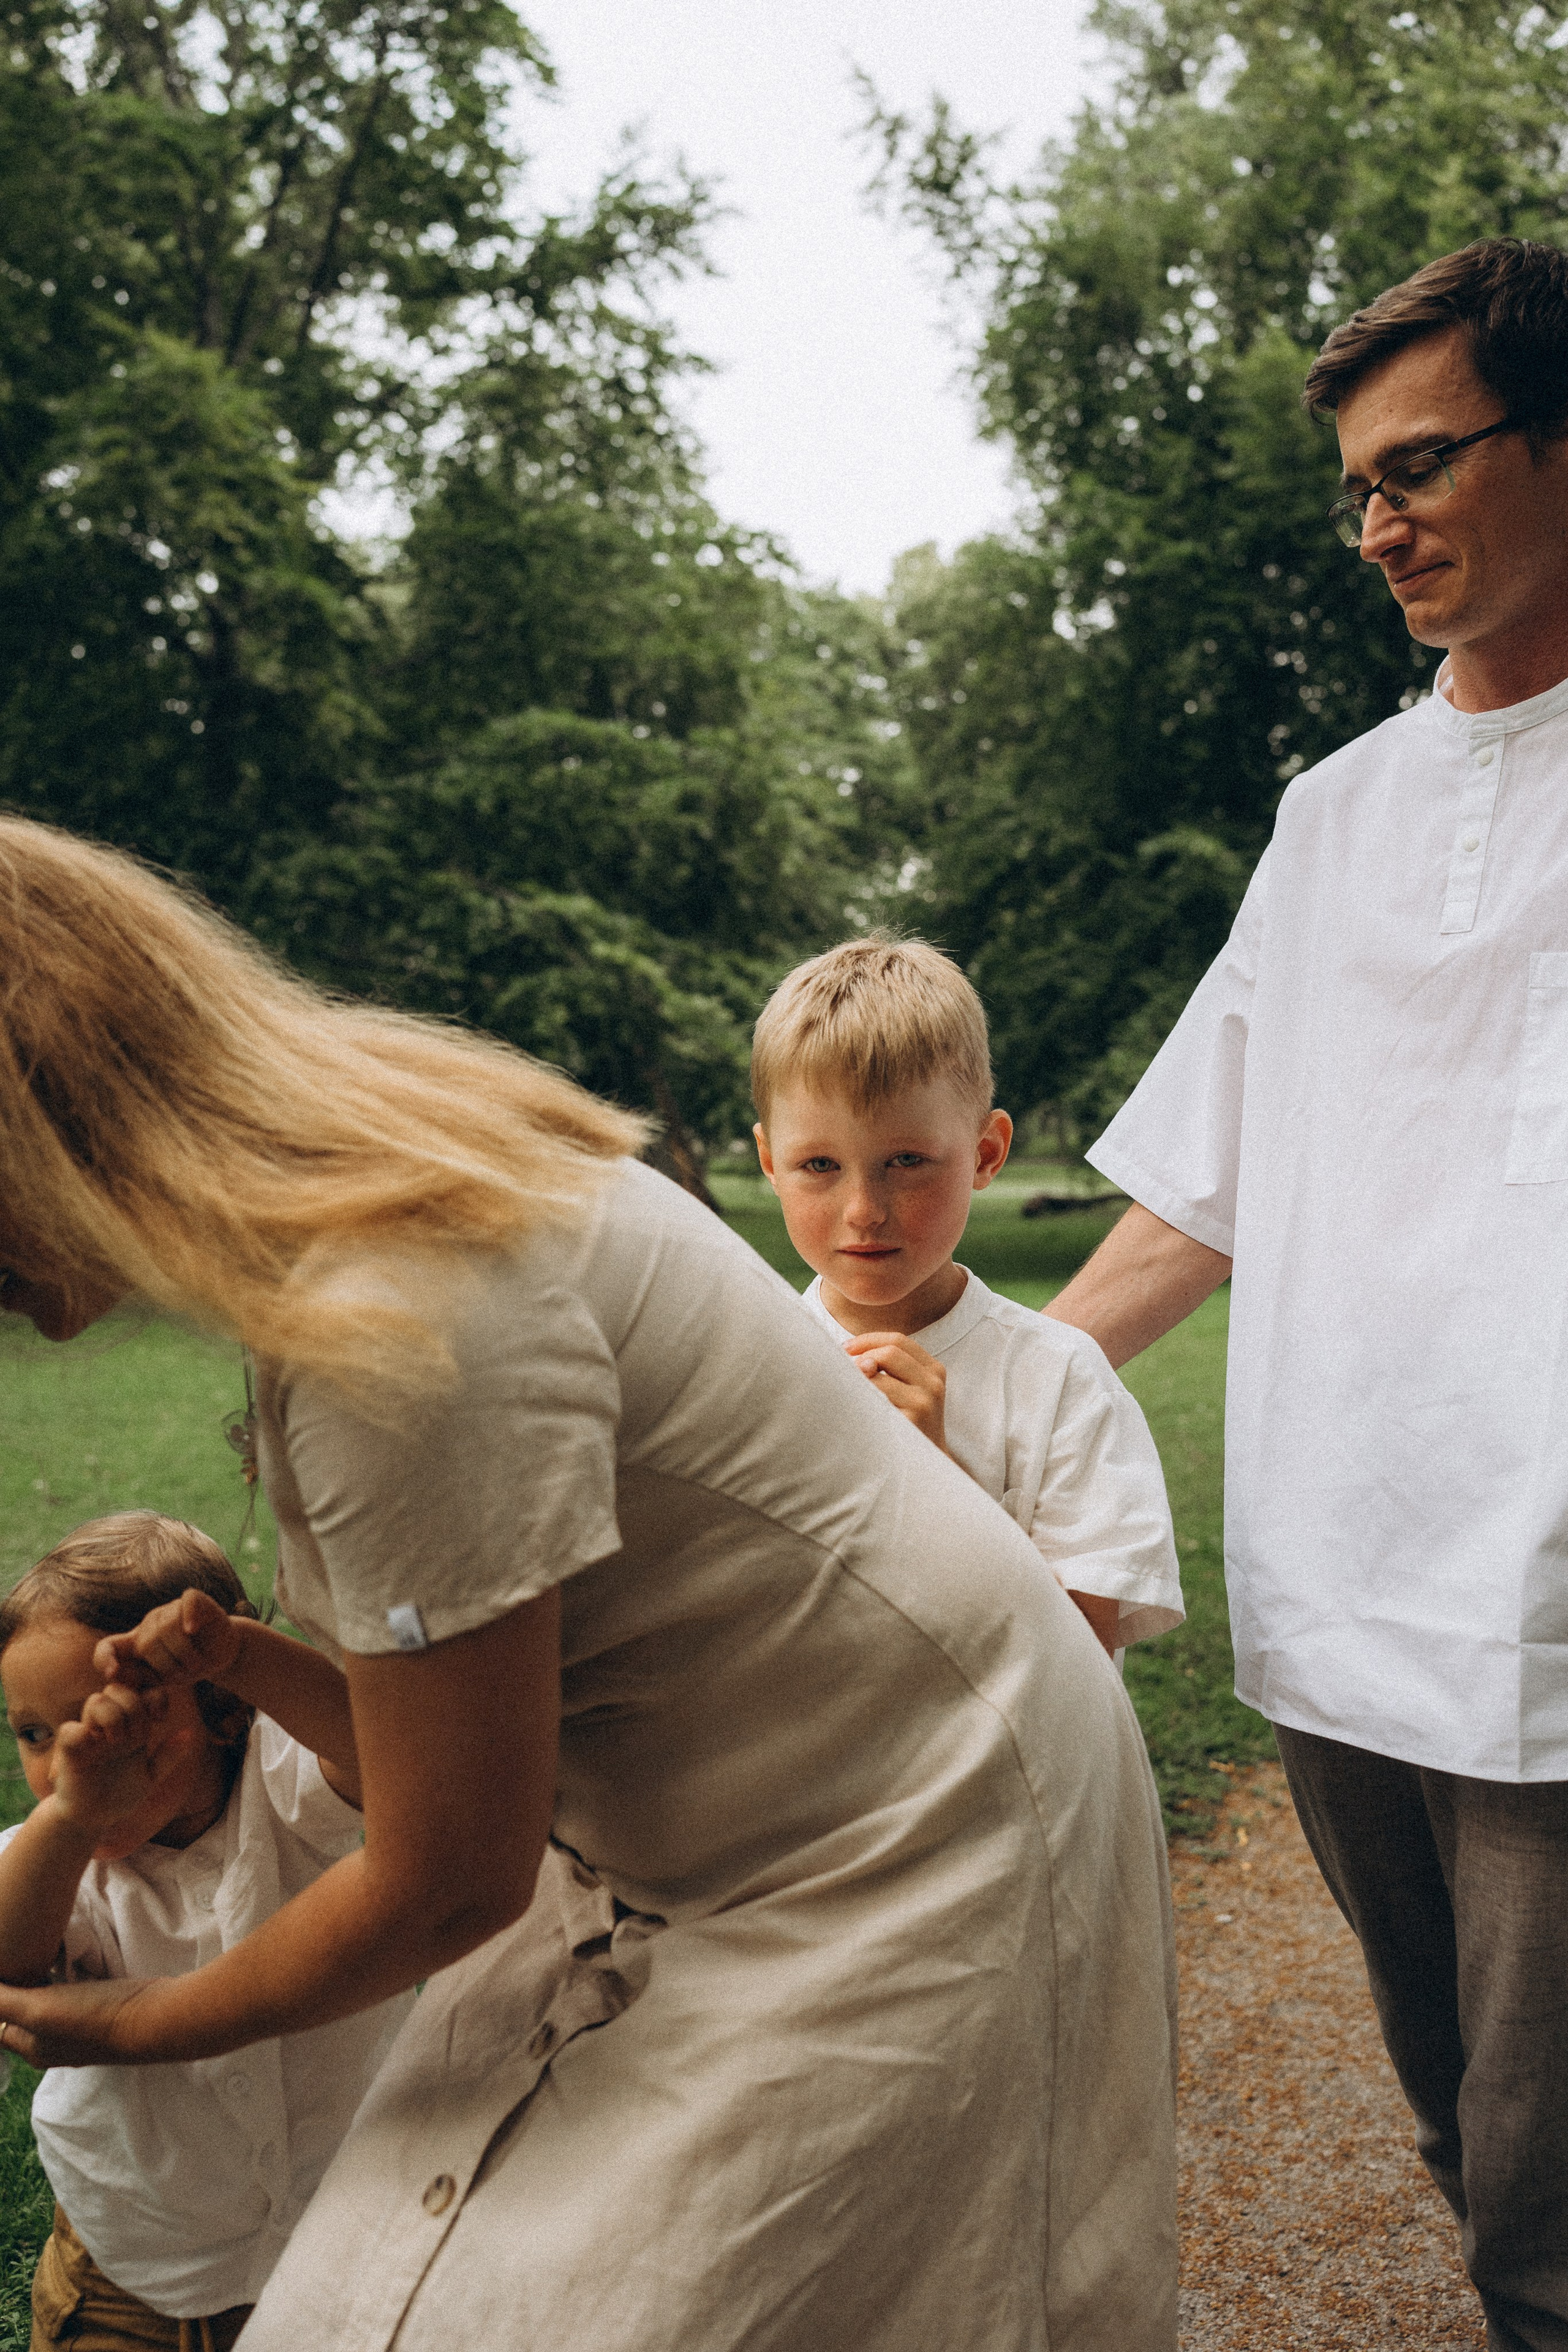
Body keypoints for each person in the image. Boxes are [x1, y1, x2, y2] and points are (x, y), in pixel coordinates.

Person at [0, 815, 1179, 2352]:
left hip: (910, 1831)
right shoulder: (385, 1173)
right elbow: (443, 1743)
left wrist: (139, 2022)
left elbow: (446, 1875)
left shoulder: (395, 1309)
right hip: (712, 1831)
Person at [1046, 236, 1568, 2351]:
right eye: (1358, 486)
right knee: (1455, 2129)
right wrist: (961, 1388)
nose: (1378, 525)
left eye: (1421, 464)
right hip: (1337, 1583)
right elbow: (1203, 1186)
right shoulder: (1329, 816)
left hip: (1550, 1607)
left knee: (1554, 2200)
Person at [0, 1510, 412, 2352]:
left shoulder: (284, 1789)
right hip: (129, 2267)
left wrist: (242, 1653)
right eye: (34, 1734)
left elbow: (381, 1756)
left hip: (331, 2237)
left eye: (105, 1718)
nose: (69, 1759)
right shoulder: (53, 1862)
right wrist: (75, 1817)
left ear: (225, 1712)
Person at [752, 934, 1183, 1661]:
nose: (863, 1210)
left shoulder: (1061, 1383)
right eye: (819, 1164)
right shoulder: (739, 1369)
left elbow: (1077, 1665)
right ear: (769, 1161)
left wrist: (939, 1480)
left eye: (906, 1162)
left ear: (986, 1153)